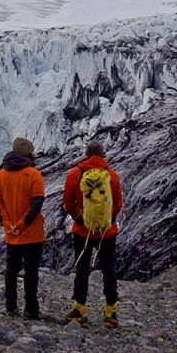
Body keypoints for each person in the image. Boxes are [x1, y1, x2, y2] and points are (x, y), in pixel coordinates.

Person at [62, 139, 124, 328]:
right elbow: (118, 204)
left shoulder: (74, 174)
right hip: (107, 231)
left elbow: (68, 202)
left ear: (86, 154)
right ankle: (111, 311)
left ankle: (80, 309)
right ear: (103, 154)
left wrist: (81, 219)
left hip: (82, 231)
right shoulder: (112, 176)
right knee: (109, 269)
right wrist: (106, 220)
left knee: (82, 270)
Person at [0, 136, 46, 319]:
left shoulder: (1, 175)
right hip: (32, 234)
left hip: (12, 234)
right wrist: (22, 225)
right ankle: (30, 309)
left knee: (11, 270)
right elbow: (37, 203)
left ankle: (11, 305)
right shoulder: (33, 174)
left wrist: (9, 224)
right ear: (27, 154)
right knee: (31, 272)